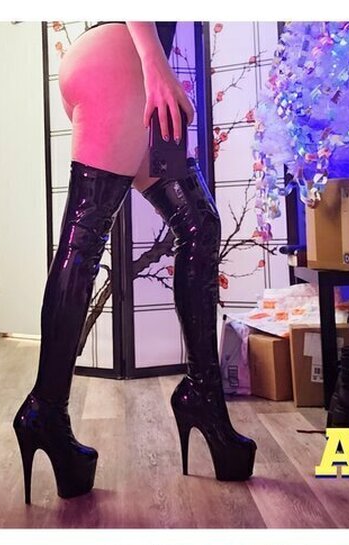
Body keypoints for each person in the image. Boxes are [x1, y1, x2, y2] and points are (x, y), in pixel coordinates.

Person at [13, 22, 255, 506]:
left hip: (117, 61)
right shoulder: (141, 59)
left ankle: (203, 396)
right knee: (85, 241)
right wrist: (155, 65)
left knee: (200, 226)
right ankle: (46, 408)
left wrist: (152, 64)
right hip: (122, 61)